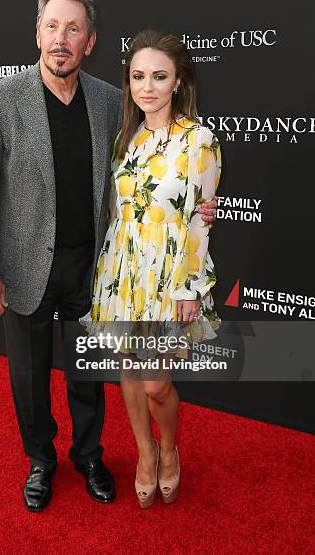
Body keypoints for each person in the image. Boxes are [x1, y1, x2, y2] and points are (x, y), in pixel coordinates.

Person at [0, 0, 218, 512]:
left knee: (88, 373)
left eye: (73, 29)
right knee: (29, 380)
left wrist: (199, 206)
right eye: (53, 26)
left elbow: (157, 174)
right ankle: (40, 462)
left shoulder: (109, 101)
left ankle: (89, 456)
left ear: (90, 41)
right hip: (26, 265)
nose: (62, 38)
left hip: (96, 271)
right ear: (37, 33)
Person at [84, 29, 221, 508]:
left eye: (159, 76)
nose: (147, 87)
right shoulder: (127, 136)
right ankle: (144, 454)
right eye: (138, 76)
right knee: (128, 367)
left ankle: (169, 448)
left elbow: (200, 223)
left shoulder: (199, 140)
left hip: (169, 278)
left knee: (156, 382)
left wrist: (190, 289)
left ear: (179, 81)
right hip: (122, 270)